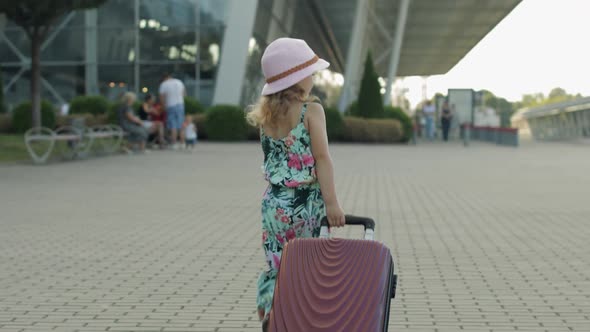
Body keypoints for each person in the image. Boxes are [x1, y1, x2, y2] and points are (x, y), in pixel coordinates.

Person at [246, 37, 346, 327]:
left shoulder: (266, 117)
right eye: (311, 72)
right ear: (297, 77)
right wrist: (332, 203)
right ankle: (299, 318)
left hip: (274, 204)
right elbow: (322, 159)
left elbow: (271, 158)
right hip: (307, 203)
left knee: (277, 264)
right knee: (307, 264)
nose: (313, 77)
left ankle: (270, 313)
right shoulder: (311, 111)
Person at [159, 73, 186, 149]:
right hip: (180, 105)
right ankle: (182, 143)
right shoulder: (179, 82)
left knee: (173, 125)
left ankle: (174, 143)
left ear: (164, 78)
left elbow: (162, 97)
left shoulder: (164, 84)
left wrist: (164, 106)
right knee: (181, 125)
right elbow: (184, 93)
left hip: (170, 105)